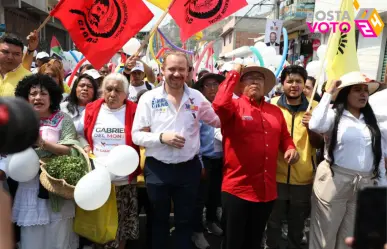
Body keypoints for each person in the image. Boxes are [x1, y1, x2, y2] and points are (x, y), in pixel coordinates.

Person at [132, 50, 220, 249]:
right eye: (171, 69)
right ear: (162, 70)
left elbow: (217, 120)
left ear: (189, 72)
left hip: (188, 170)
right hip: (157, 170)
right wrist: (162, 138)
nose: (176, 73)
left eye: (182, 69)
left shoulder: (197, 97)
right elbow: (136, 135)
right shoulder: (149, 98)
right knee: (158, 220)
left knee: (184, 221)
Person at [212, 63, 299, 249]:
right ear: (241, 84)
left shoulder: (275, 111)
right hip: (237, 189)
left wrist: (290, 148)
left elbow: (284, 137)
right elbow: (218, 103)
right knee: (232, 242)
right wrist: (234, 73)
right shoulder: (233, 107)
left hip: (265, 191)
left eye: (259, 78)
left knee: (255, 241)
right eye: (249, 78)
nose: (254, 81)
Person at [308, 72, 387, 249]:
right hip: (334, 180)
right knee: (324, 235)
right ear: (346, 94)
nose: (363, 94)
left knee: (350, 236)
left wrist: (381, 187)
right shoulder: (333, 115)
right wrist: (328, 94)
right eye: (357, 90)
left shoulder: (371, 121)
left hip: (363, 184)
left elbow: (379, 155)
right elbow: (315, 124)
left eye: (366, 91)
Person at [13, 74, 79, 249]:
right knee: (30, 241)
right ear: (25, 98)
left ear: (52, 97)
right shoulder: (19, 120)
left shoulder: (63, 119)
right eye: (33, 93)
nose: (37, 98)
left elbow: (71, 149)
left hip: (56, 187)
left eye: (43, 94)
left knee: (59, 239)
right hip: (28, 188)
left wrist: (42, 143)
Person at [78, 73, 141, 249]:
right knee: (99, 226)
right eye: (108, 89)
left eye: (117, 90)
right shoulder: (91, 109)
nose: (112, 94)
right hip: (98, 179)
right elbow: (79, 134)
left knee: (121, 227)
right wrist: (85, 146)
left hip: (124, 181)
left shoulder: (135, 110)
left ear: (126, 94)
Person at [266, 65, 323, 249]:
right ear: (282, 84)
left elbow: (321, 144)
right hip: (275, 176)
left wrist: (311, 127)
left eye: (299, 81)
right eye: (289, 81)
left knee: (297, 224)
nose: (294, 85)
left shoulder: (315, 107)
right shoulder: (272, 105)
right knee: (273, 222)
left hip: (303, 178)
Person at [192, 73, 225, 249]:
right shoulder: (197, 107)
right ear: (202, 89)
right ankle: (197, 231)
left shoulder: (226, 106)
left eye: (216, 84)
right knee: (200, 197)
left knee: (215, 195)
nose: (213, 88)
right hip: (204, 158)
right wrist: (201, 163)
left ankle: (211, 221)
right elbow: (194, 137)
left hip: (222, 159)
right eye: (208, 85)